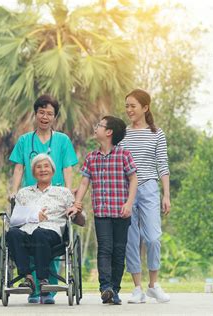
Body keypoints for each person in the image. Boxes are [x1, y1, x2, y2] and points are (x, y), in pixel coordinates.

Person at [9, 94, 79, 304]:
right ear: (36, 113)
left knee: (47, 234)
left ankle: (47, 289)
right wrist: (14, 191)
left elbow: (67, 167)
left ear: (54, 117)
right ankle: (33, 288)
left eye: (50, 113)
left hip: (54, 198)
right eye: (42, 112)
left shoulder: (62, 140)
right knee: (25, 232)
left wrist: (66, 193)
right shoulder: (24, 140)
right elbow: (19, 167)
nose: (45, 117)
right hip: (30, 196)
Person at [71, 116, 138, 305]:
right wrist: (77, 202)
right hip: (101, 213)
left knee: (118, 251)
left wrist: (129, 203)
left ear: (109, 132)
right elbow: (84, 182)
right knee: (105, 249)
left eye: (99, 125)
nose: (96, 127)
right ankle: (105, 287)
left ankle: (114, 290)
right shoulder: (92, 157)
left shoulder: (124, 155)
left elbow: (134, 180)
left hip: (121, 212)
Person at [119, 89, 171, 303]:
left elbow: (163, 165)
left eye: (133, 106)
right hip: (125, 189)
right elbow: (117, 162)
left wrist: (166, 195)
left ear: (145, 107)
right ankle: (138, 288)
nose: (129, 110)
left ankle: (153, 284)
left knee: (152, 237)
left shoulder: (156, 133)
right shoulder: (122, 133)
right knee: (131, 240)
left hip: (149, 187)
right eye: (127, 106)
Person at [6, 154, 76, 301]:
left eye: (46, 166)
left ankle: (43, 280)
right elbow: (15, 219)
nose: (42, 170)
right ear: (33, 172)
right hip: (26, 232)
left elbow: (79, 219)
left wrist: (77, 211)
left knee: (40, 233)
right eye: (38, 167)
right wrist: (33, 216)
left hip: (51, 233)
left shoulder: (63, 192)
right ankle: (28, 277)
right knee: (12, 234)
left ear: (53, 171)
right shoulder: (23, 193)